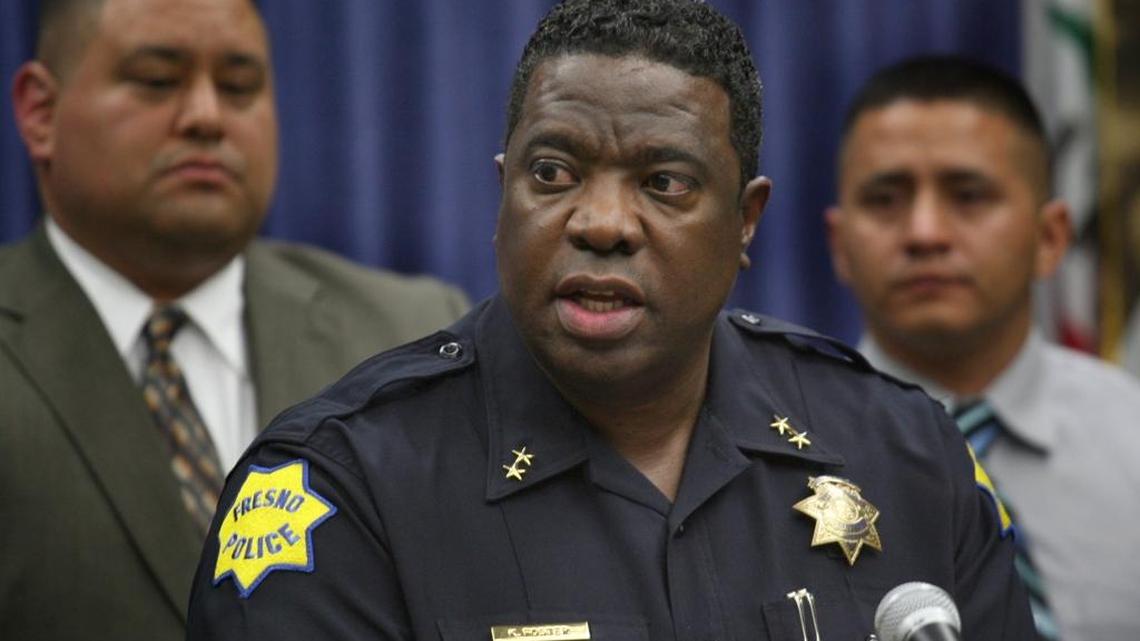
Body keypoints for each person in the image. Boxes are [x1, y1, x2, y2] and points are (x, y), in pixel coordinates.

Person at [186, 2, 1037, 639]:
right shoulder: (343, 486)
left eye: (664, 183)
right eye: (553, 173)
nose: (601, 223)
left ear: (745, 221)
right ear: (502, 194)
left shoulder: (908, 456)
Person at [0, 0, 468, 639]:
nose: (206, 116)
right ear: (40, 112)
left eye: (240, 86)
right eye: (157, 81)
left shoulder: (414, 333)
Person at [826, 55, 1140, 641]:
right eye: (885, 199)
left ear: (1050, 238)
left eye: (968, 195)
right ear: (839, 245)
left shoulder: (1132, 434)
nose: (925, 233)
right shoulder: (774, 452)